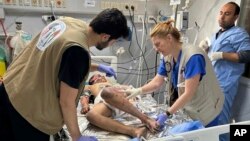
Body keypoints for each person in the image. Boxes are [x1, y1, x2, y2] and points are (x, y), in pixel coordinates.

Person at [0, 8, 129, 141]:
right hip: (28, 111)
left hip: (9, 89)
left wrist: (98, 67)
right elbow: (66, 102)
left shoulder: (67, 23)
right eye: (115, 40)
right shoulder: (77, 52)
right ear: (105, 36)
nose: (113, 44)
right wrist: (77, 136)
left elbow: (56, 61)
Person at [125, 19, 225, 128]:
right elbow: (157, 83)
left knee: (208, 136)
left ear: (169, 38)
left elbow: (188, 93)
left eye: (157, 44)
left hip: (207, 109)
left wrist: (167, 114)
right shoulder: (168, 57)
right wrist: (138, 91)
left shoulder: (193, 57)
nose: (156, 49)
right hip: (190, 107)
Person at [199, 2, 250, 141]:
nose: (222, 17)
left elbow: (246, 55)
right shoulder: (217, 34)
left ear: (236, 16)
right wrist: (206, 50)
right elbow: (213, 56)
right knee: (210, 122)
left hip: (225, 85)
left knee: (221, 123)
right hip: (212, 84)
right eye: (221, 13)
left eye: (227, 14)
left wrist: (222, 55)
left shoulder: (239, 34)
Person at [80, 74, 158, 138]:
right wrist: (85, 105)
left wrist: (135, 94)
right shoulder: (92, 86)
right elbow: (84, 96)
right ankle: (133, 131)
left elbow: (132, 90)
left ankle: (145, 119)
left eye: (100, 75)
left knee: (107, 92)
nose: (100, 77)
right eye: (95, 77)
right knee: (90, 115)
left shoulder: (115, 85)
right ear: (92, 81)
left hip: (122, 101)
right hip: (104, 104)